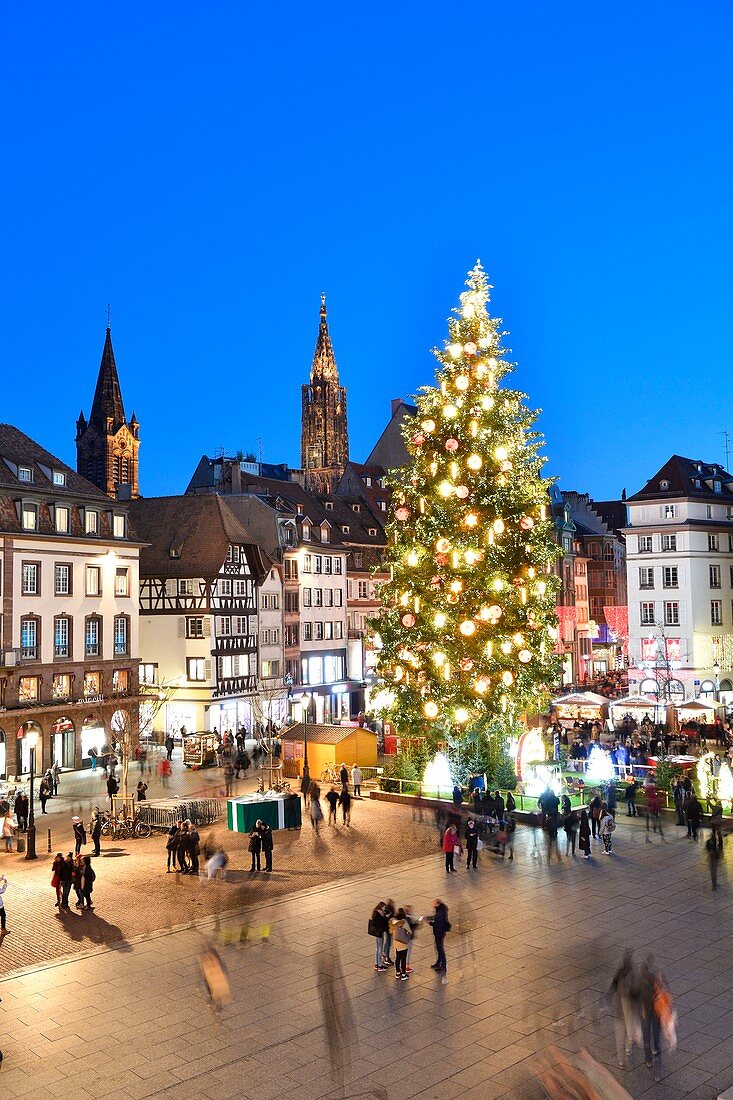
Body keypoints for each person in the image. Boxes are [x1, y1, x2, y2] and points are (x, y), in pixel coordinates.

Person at [428, 899, 450, 974]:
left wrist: (430, 923)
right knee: (438, 947)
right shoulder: (441, 909)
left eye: (434, 903)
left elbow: (437, 923)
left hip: (439, 932)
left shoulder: (440, 912)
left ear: (437, 904)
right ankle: (439, 962)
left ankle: (442, 965)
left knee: (440, 948)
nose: (433, 905)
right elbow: (436, 917)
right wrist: (429, 918)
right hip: (440, 932)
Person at [390, 908, 412, 980]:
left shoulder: (393, 922)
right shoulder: (404, 922)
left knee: (398, 957)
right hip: (403, 943)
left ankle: (397, 973)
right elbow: (410, 931)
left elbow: (390, 931)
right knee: (403, 959)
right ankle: (403, 974)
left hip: (396, 942)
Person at [369, 901, 389, 972]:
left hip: (376, 933)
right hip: (380, 933)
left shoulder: (375, 912)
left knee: (377, 948)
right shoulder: (381, 913)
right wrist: (386, 916)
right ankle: (380, 965)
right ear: (381, 906)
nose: (384, 909)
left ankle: (376, 964)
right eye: (384, 907)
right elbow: (384, 922)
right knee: (380, 948)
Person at [382, 899, 395, 966]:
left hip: (389, 928)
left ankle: (384, 953)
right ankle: (386, 957)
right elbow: (388, 919)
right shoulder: (388, 910)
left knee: (388, 941)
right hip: (388, 928)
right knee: (388, 942)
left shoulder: (390, 908)